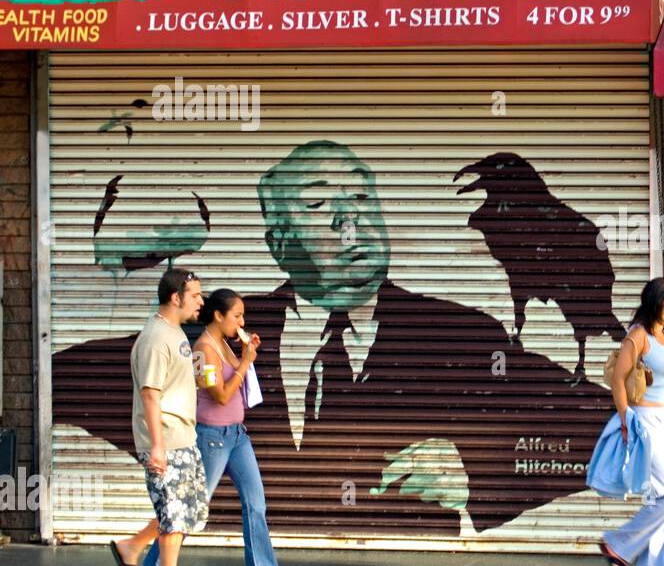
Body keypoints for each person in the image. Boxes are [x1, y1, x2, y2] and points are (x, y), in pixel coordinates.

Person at [54, 141, 611, 537]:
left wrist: (476, 472)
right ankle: (161, 555)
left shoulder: (464, 337)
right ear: (278, 240)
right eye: (321, 205)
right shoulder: (225, 327)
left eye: (364, 200)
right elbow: (77, 375)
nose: (352, 222)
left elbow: (594, 420)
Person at [139, 289, 292, 566]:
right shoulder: (202, 350)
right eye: (237, 316)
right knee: (192, 504)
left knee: (255, 502)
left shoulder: (224, 344)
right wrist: (246, 362)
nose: (242, 321)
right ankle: (157, 564)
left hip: (237, 436)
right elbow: (220, 394)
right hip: (212, 438)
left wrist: (246, 356)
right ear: (219, 316)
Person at [106, 268, 209, 566]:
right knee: (174, 510)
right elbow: (150, 394)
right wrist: (158, 447)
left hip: (183, 435)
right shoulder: (154, 337)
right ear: (175, 297)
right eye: (195, 295)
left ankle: (132, 548)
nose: (201, 301)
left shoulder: (174, 332)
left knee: (184, 508)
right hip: (165, 438)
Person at [599, 278, 664, 566]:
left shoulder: (663, 335)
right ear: (655, 304)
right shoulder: (637, 336)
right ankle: (618, 543)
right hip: (645, 422)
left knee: (658, 495)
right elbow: (618, 382)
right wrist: (626, 420)